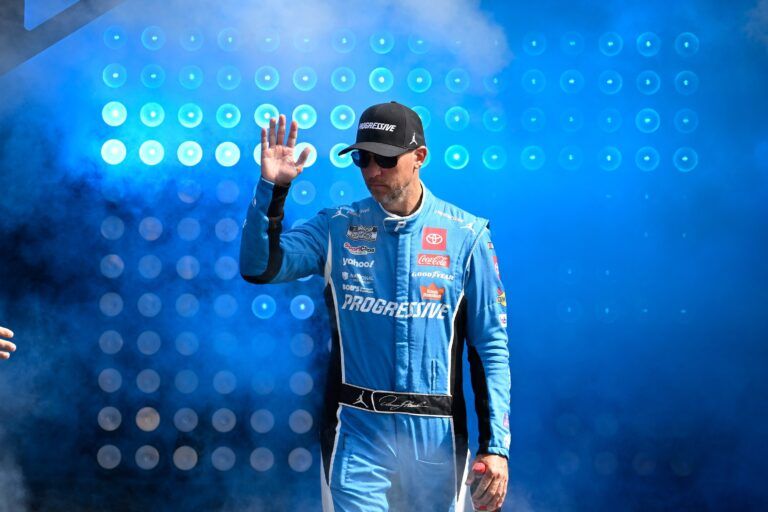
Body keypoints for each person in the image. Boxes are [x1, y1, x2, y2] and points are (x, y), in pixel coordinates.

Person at [240, 101, 510, 512]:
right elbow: (259, 266)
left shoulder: (468, 236)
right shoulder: (336, 226)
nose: (372, 171)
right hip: (357, 431)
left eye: (385, 159)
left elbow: (490, 346)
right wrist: (271, 190)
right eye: (362, 159)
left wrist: (496, 447)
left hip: (436, 439)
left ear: (419, 157)